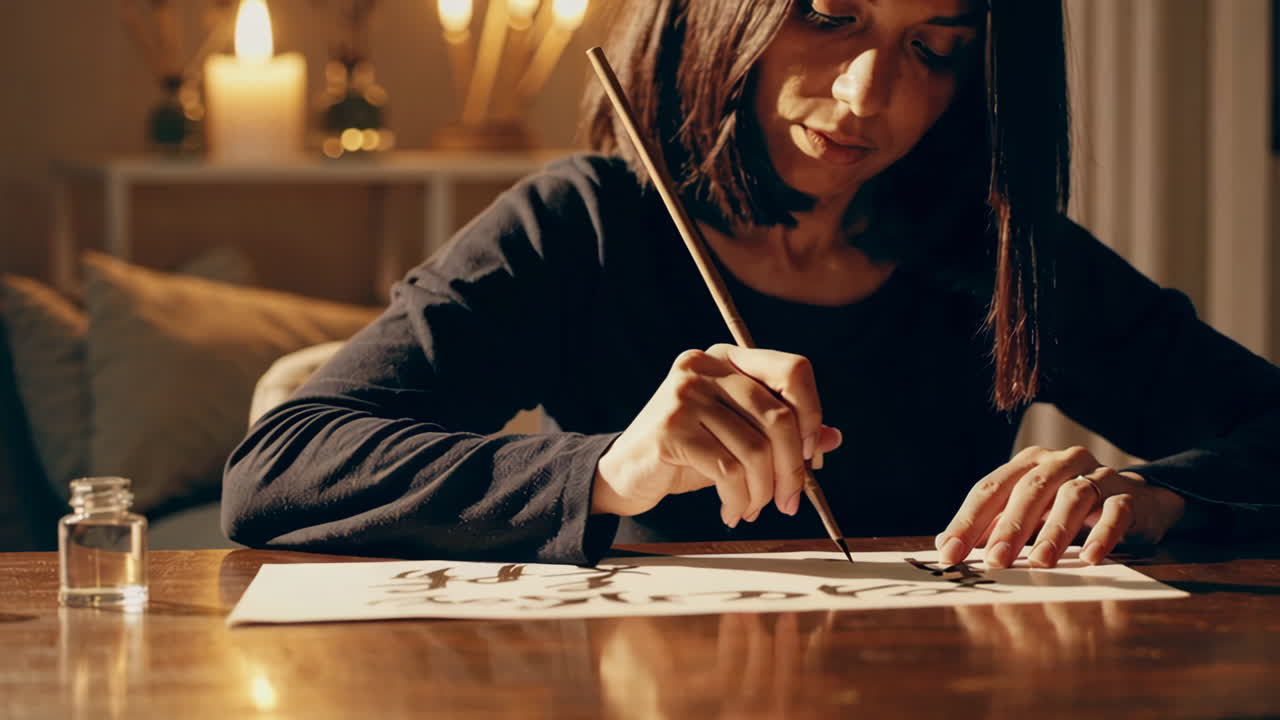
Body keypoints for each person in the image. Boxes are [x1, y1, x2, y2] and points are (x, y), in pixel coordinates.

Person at [223, 0, 1280, 569]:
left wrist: (1153, 491)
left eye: (933, 46)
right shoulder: (584, 226)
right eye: (829, 14)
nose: (870, 93)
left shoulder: (1001, 254)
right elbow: (281, 467)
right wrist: (610, 469)